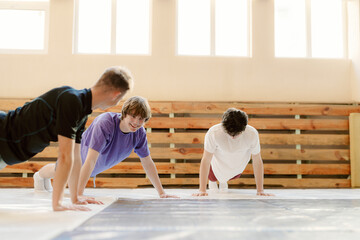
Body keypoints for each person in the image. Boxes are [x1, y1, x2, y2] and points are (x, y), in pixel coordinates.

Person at [0, 66, 133, 211]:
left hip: (7, 151)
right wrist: (58, 203)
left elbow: (76, 158)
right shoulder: (71, 100)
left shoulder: (81, 112)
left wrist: (75, 197)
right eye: (120, 99)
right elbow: (65, 157)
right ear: (115, 94)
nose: (118, 103)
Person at [35, 96, 178, 199]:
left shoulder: (139, 134)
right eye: (133, 116)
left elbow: (147, 162)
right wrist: (79, 195)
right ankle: (39, 176)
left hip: (94, 165)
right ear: (124, 113)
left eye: (141, 119)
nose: (136, 122)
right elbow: (90, 160)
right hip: (80, 158)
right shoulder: (105, 123)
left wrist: (161, 192)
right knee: (60, 169)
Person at [192, 108, 273, 197]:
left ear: (244, 128)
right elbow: (206, 160)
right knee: (212, 172)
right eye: (229, 133)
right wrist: (202, 190)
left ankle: (223, 181)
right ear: (223, 126)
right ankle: (213, 180)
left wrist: (260, 190)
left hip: (236, 169)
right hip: (216, 166)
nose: (233, 137)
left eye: (237, 134)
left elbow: (257, 160)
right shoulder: (214, 133)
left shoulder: (252, 134)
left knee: (229, 175)